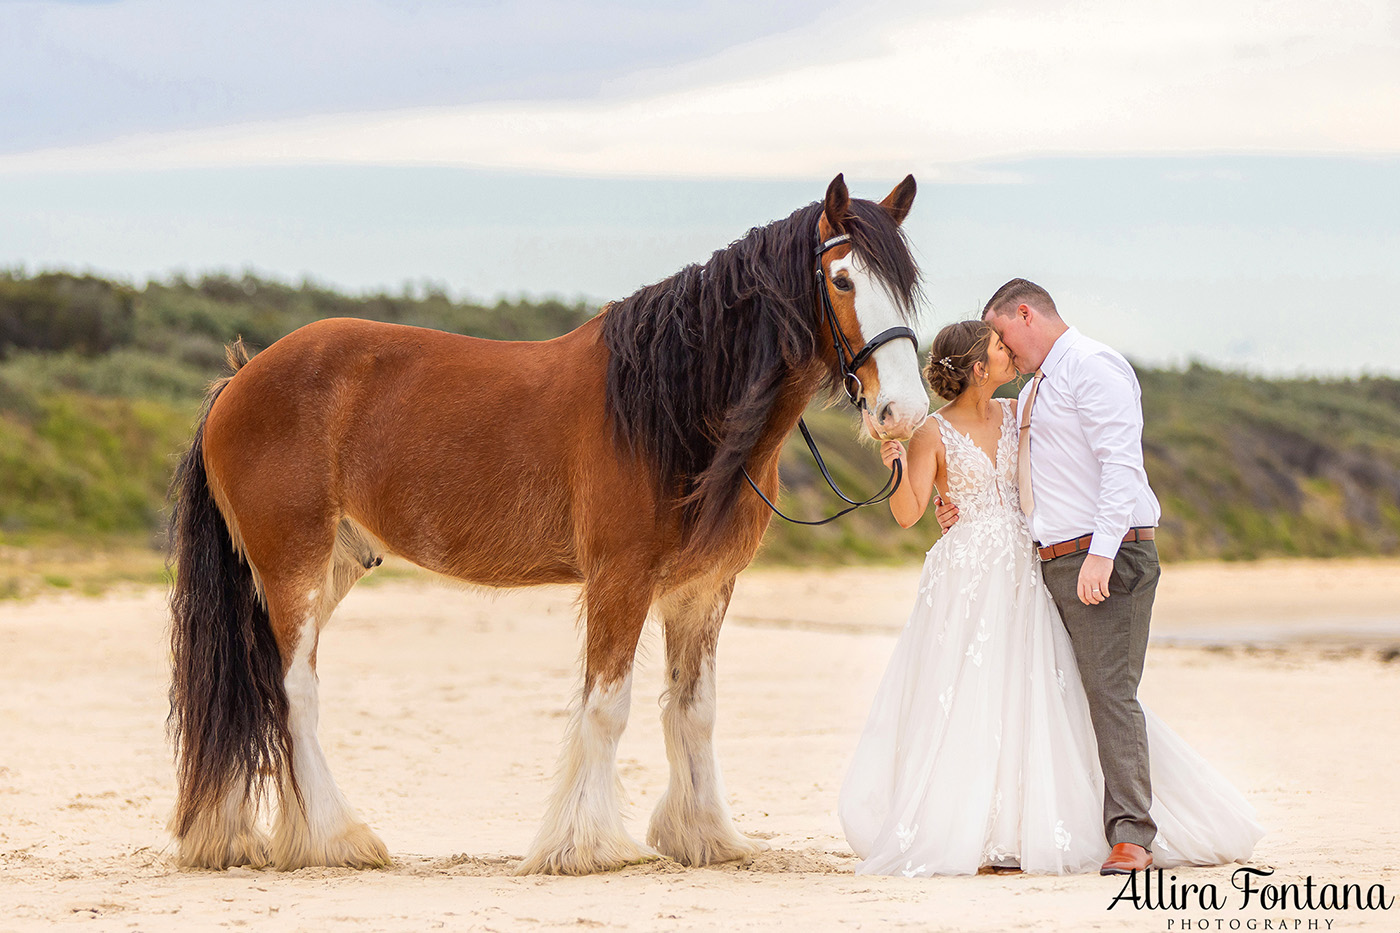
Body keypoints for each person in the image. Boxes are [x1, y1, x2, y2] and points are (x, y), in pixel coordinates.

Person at [837, 306, 1263, 876]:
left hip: (1025, 564)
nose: (1008, 351)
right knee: (971, 692)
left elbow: (1063, 472)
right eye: (997, 345)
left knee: (1036, 687)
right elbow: (909, 514)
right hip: (967, 573)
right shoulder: (931, 432)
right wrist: (895, 466)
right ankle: (981, 827)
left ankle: (1048, 823)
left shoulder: (1021, 412)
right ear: (975, 366)